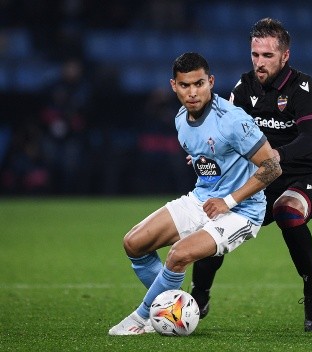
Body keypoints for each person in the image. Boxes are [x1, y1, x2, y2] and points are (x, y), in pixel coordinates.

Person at [190, 18, 312, 332]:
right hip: (270, 173)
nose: (259, 63)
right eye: (255, 55)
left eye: (267, 56)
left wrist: (275, 154)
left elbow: (309, 140)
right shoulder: (244, 87)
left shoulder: (305, 88)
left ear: (284, 56)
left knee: (287, 211)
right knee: (218, 217)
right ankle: (198, 295)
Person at [108, 52, 281, 335]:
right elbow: (211, 157)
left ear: (211, 82)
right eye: (185, 85)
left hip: (242, 211)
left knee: (178, 256)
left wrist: (228, 201)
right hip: (202, 199)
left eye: (199, 84)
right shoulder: (180, 120)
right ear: (173, 86)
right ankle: (173, 310)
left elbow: (272, 167)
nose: (192, 92)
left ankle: (141, 320)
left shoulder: (233, 119)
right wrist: (204, 161)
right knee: (134, 243)